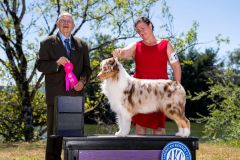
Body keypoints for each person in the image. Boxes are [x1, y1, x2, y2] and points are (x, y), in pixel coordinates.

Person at [112, 16, 181, 135]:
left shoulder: (166, 44)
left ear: (150, 26)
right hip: (139, 93)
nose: (141, 32)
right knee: (140, 128)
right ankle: (141, 154)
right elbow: (125, 52)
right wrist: (119, 52)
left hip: (159, 93)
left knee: (159, 129)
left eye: (143, 28)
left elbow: (176, 66)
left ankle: (158, 154)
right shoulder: (136, 45)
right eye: (138, 30)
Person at [37, 12, 92, 160]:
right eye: (62, 20)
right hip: (55, 96)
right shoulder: (46, 43)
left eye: (69, 21)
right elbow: (40, 66)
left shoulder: (82, 45)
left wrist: (82, 81)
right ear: (57, 24)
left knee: (74, 134)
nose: (66, 23)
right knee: (53, 135)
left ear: (73, 25)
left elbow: (87, 68)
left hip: (75, 96)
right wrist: (56, 63)